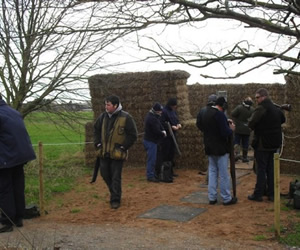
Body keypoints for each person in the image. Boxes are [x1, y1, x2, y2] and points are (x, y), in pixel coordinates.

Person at [94, 95, 137, 209]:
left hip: (117, 154)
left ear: (115, 105)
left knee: (116, 177)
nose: (106, 107)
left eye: (108, 105)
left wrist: (123, 147)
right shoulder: (102, 117)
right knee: (104, 174)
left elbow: (133, 135)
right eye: (105, 104)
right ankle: (114, 192)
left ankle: (115, 200)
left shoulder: (126, 117)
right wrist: (97, 143)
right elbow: (96, 130)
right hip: (104, 152)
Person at [0, 95, 36, 233]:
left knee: (4, 189)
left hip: (6, 157)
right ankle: (18, 217)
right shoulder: (13, 112)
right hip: (20, 155)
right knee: (17, 186)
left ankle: (7, 221)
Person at [247, 88, 285, 202]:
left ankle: (258, 194)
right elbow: (283, 119)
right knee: (271, 170)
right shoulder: (276, 109)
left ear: (263, 97)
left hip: (262, 144)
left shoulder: (261, 108)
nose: (256, 100)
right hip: (275, 144)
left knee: (261, 169)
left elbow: (251, 123)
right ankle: (272, 194)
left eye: (257, 97)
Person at [201, 96, 237, 205]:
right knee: (223, 174)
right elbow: (225, 132)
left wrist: (225, 121)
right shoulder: (219, 114)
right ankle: (226, 198)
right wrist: (231, 129)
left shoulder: (205, 112)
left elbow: (205, 126)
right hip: (221, 148)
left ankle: (212, 197)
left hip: (209, 146)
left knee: (212, 172)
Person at [196, 94, 217, 183]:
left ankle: (209, 179)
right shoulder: (217, 111)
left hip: (207, 137)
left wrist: (204, 130)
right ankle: (211, 179)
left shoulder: (202, 111)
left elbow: (198, 124)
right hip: (216, 139)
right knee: (215, 162)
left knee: (210, 160)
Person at [143, 103, 167, 182]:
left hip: (150, 140)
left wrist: (162, 130)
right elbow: (156, 130)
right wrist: (163, 133)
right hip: (151, 141)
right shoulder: (152, 119)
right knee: (152, 159)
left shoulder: (153, 117)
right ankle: (150, 176)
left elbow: (159, 125)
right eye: (160, 111)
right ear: (156, 111)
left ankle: (152, 174)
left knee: (153, 159)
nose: (161, 112)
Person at [160, 98, 182, 177]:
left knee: (172, 154)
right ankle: (165, 172)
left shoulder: (173, 111)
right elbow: (162, 123)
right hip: (167, 137)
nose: (175, 107)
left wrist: (178, 124)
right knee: (166, 154)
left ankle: (171, 171)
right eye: (174, 106)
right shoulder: (164, 111)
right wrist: (170, 127)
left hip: (173, 135)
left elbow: (176, 119)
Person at [231, 97, 254, 162]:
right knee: (245, 143)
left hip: (238, 129)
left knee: (237, 142)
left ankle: (236, 155)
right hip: (247, 129)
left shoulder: (239, 107)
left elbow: (233, 114)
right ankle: (244, 157)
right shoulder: (252, 109)